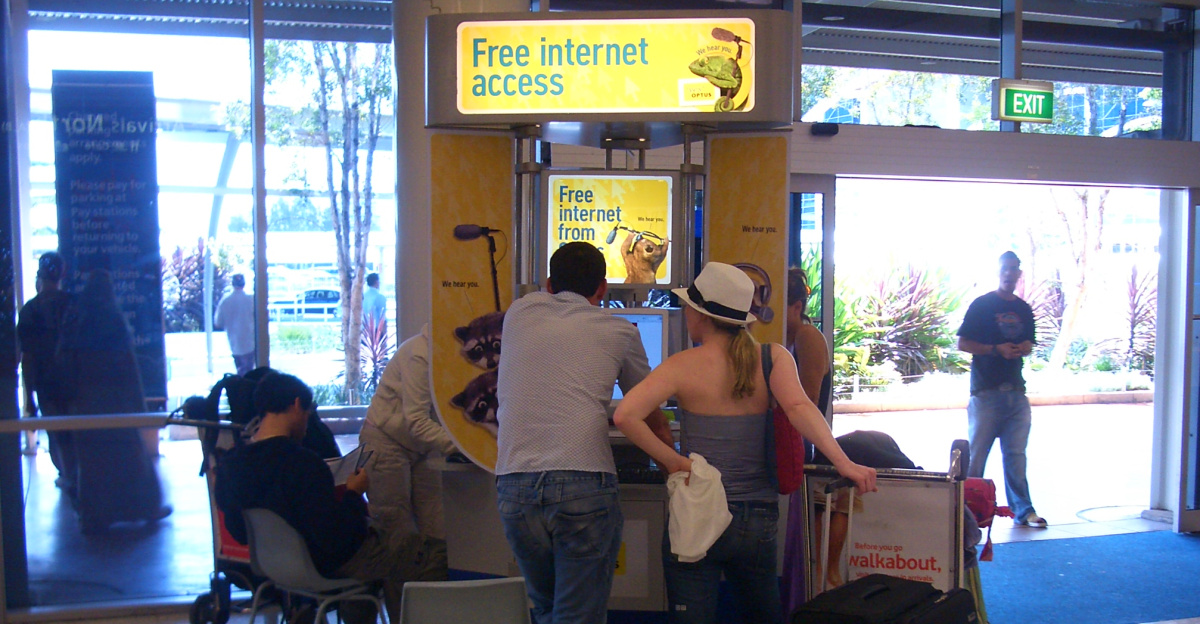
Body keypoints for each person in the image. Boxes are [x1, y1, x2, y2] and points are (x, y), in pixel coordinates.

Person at [613, 261, 877, 624]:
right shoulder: (772, 357)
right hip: (756, 517)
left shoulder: (680, 365)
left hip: (697, 511)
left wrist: (674, 462)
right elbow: (800, 408)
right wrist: (844, 463)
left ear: (700, 315)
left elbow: (625, 416)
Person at [494, 241, 674, 624]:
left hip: (514, 484)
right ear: (602, 288)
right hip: (583, 483)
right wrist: (672, 473)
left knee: (547, 611)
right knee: (578, 617)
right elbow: (649, 414)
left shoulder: (518, 313)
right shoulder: (620, 330)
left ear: (548, 285)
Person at [215, 371, 440, 624]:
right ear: (297, 405)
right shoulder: (303, 463)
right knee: (434, 554)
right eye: (308, 412)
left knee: (369, 574)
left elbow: (239, 529)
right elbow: (337, 539)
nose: (307, 422)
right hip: (326, 562)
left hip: (274, 566)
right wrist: (353, 493)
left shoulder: (231, 464)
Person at [57, 269, 171, 534]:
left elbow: (65, 361)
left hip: (85, 402)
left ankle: (95, 515)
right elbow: (127, 364)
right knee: (129, 456)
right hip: (114, 400)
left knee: (92, 463)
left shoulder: (76, 320)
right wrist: (137, 403)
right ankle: (144, 507)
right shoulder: (113, 320)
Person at [358, 323, 456, 578]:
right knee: (397, 534)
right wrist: (462, 446)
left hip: (421, 447)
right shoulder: (419, 354)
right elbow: (417, 421)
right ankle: (402, 603)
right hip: (386, 441)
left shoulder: (453, 353)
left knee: (436, 528)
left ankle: (433, 598)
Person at [957, 251, 1044, 528]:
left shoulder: (1024, 309)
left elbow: (1029, 341)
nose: (1009, 273)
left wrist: (1025, 347)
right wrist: (996, 349)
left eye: (1014, 268)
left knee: (1016, 456)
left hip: (1016, 394)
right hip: (985, 393)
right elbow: (962, 343)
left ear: (1019, 274)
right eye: (1005, 268)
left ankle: (1024, 511)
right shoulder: (982, 305)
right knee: (977, 456)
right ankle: (966, 512)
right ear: (998, 271)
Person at [781, 267, 834, 609]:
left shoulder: (806, 336)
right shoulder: (786, 338)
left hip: (804, 450)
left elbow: (808, 401)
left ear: (797, 307)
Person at [17, 252, 73, 465]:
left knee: (57, 436)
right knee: (75, 434)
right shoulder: (73, 306)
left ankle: (65, 473)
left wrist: (29, 400)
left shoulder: (30, 311)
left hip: (46, 385)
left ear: (39, 276)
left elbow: (27, 358)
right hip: (73, 383)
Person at [215, 273, 255, 375]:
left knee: (240, 370)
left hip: (234, 342)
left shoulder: (225, 301)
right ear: (244, 284)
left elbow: (218, 322)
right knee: (250, 372)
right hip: (250, 341)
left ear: (232, 284)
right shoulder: (251, 299)